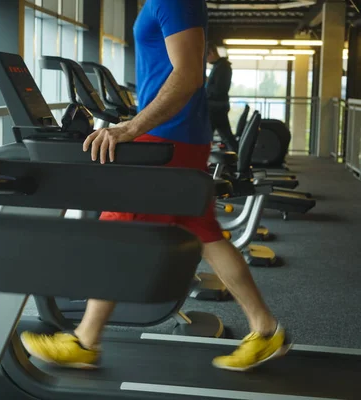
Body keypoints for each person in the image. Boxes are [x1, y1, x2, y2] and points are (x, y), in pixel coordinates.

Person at [21, 0, 291, 372]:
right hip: (176, 134)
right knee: (202, 229)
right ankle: (265, 329)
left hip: (168, 138)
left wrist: (133, 127)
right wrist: (138, 117)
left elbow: (188, 75)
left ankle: (85, 339)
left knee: (116, 228)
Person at [206, 43, 238, 152]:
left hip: (216, 108)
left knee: (209, 136)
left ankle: (239, 160)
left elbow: (219, 90)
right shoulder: (219, 66)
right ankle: (239, 160)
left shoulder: (223, 67)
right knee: (225, 136)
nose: (206, 60)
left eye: (206, 56)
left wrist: (206, 89)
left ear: (211, 52)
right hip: (217, 107)